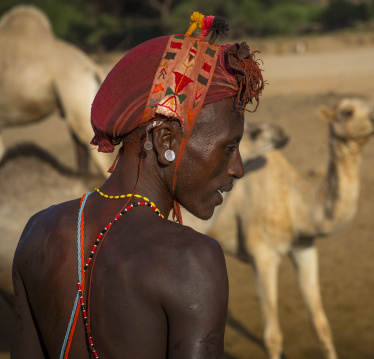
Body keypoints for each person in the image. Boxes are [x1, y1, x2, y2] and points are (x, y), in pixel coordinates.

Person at [11, 12, 264, 359]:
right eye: (228, 148)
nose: (237, 169)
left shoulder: (37, 231)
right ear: (164, 139)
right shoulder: (191, 261)